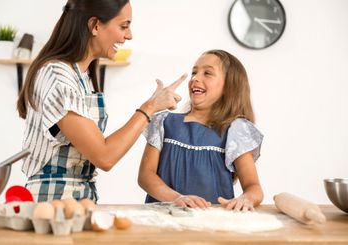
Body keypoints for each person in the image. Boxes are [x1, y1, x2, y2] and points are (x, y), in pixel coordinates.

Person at [16, 0, 186, 202]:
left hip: (79, 198)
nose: (129, 35)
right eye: (124, 26)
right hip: (53, 201)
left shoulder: (83, 76)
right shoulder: (58, 76)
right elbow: (104, 156)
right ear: (95, 25)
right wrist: (150, 107)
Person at [138, 49, 264, 211]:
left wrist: (247, 198)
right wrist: (176, 198)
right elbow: (145, 176)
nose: (196, 78)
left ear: (229, 86)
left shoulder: (235, 130)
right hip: (162, 220)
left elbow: (253, 187)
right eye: (194, 72)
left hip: (212, 225)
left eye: (208, 73)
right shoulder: (164, 122)